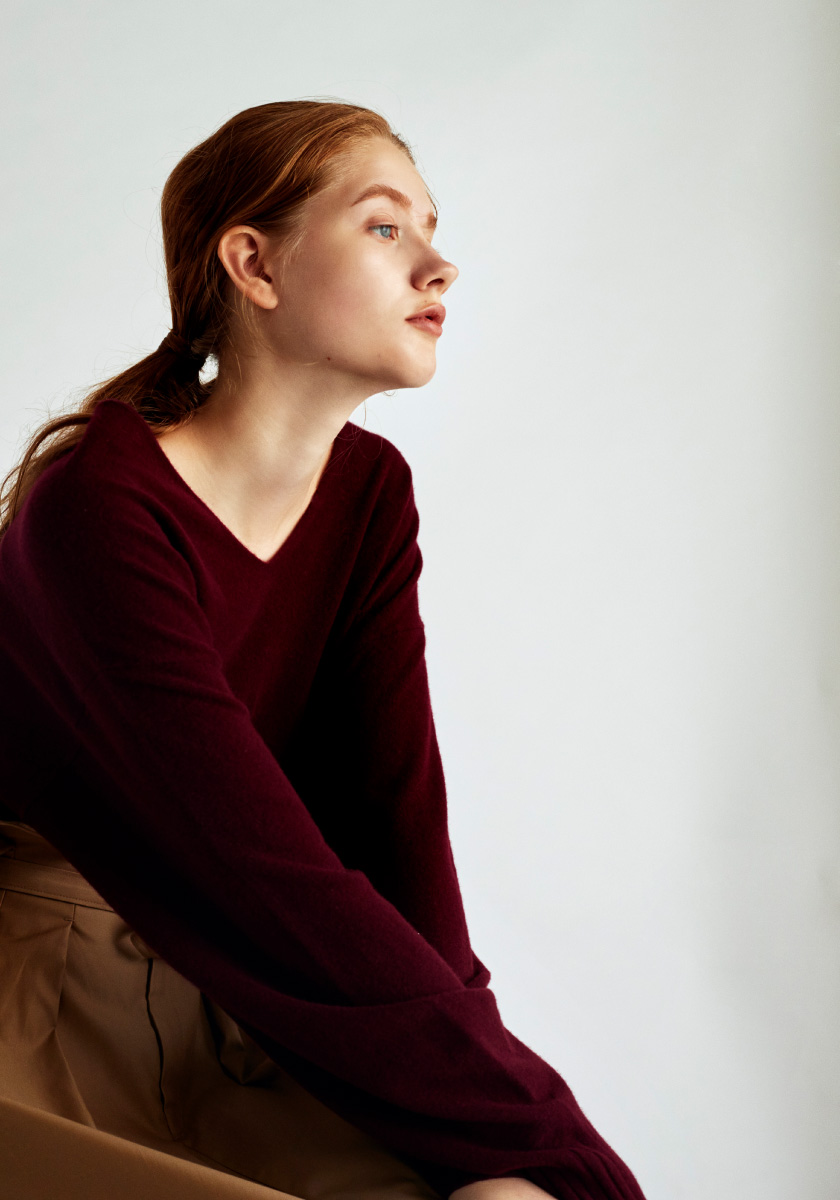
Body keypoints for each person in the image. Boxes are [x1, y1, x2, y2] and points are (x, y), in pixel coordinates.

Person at [0, 100, 648, 1200]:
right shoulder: (97, 507)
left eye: (432, 229)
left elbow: (397, 824)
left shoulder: (369, 493)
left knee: (509, 1191)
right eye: (386, 227)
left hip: (252, 991)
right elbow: (250, 854)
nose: (439, 266)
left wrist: (523, 1132)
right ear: (254, 265)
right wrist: (538, 1127)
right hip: (57, 998)